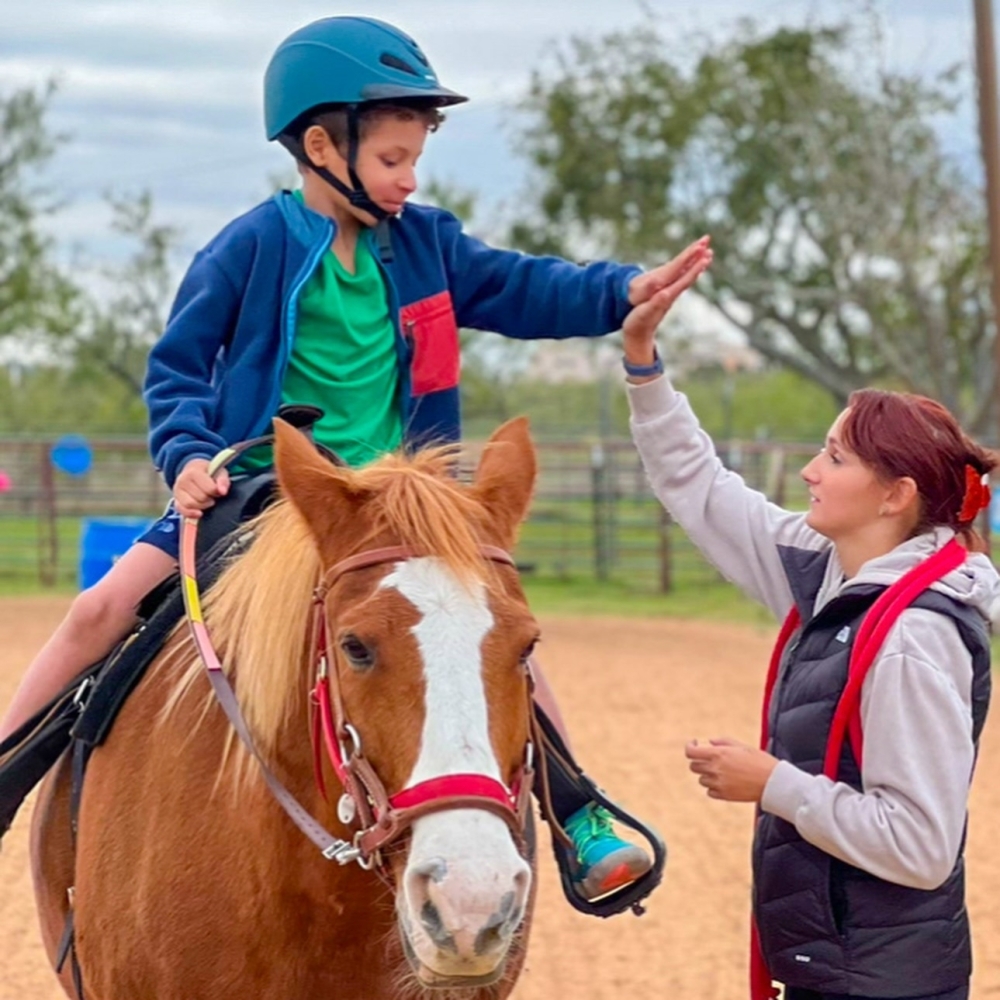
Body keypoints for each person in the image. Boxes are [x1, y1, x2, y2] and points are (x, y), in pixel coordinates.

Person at [0, 15, 683, 901]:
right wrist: (189, 455)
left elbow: (522, 284)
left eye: (413, 160)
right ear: (322, 145)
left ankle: (577, 811)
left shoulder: (428, 244)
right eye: (393, 159)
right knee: (100, 607)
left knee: (499, 644)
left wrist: (620, 289)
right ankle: (12, 767)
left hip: (398, 504)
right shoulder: (252, 246)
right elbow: (177, 367)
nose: (407, 179)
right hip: (263, 486)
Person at [619, 238, 997, 999]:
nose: (808, 472)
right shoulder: (831, 571)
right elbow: (700, 485)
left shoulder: (913, 637)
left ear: (894, 496)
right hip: (837, 972)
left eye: (833, 457)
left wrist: (773, 783)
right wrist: (643, 361)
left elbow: (920, 846)